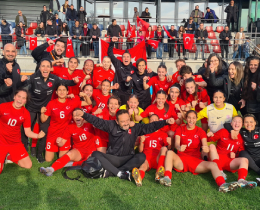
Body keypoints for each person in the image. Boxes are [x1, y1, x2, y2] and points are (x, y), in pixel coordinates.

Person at [74, 109, 175, 181]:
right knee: (96, 154)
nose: (126, 123)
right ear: (117, 121)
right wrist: (84, 114)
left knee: (142, 156)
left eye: (127, 120)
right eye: (123, 121)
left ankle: (111, 173)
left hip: (128, 158)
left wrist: (165, 122)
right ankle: (120, 173)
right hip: (113, 158)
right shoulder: (111, 125)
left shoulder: (135, 127)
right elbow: (98, 121)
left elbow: (150, 127)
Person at [159, 110, 239, 193]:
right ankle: (167, 178)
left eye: (193, 118)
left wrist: (206, 149)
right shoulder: (180, 129)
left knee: (213, 164)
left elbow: (204, 144)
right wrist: (179, 148)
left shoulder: (200, 131)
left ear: (196, 119)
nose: (191, 120)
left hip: (195, 161)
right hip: (181, 160)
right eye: (189, 117)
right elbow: (176, 144)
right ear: (186, 118)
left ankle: (222, 184)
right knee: (170, 153)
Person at [21, 59, 78, 162]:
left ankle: (39, 154)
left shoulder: (54, 78)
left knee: (44, 131)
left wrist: (74, 82)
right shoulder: (34, 77)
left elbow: (65, 82)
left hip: (45, 108)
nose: (45, 68)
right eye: (43, 66)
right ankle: (24, 151)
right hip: (31, 107)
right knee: (26, 129)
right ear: (39, 68)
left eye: (48, 66)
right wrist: (22, 81)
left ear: (50, 68)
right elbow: (23, 86)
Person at [40, 108, 99, 176]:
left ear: (83, 115)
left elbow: (98, 123)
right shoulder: (70, 127)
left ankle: (70, 164)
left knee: (90, 161)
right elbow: (62, 143)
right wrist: (59, 142)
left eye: (79, 115)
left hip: (91, 151)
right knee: (70, 154)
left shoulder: (89, 123)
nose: (77, 117)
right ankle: (51, 169)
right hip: (79, 151)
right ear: (73, 117)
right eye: (75, 116)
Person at [0, 89, 45, 174]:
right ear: (14, 97)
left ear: (26, 101)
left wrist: (37, 136)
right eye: (19, 96)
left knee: (28, 165)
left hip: (15, 143)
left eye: (23, 98)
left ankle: (9, 156)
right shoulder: (3, 106)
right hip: (1, 142)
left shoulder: (25, 113)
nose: (20, 100)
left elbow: (27, 132)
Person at [40, 84, 89, 162]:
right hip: (53, 133)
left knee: (62, 159)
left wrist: (85, 95)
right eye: (59, 90)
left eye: (64, 90)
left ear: (67, 92)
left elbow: (88, 103)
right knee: (48, 160)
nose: (62, 92)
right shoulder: (51, 103)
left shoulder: (71, 102)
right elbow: (43, 120)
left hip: (65, 134)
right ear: (56, 92)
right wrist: (42, 113)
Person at [207, 116, 257, 188]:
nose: (237, 123)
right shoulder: (223, 131)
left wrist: (235, 154)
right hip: (217, 158)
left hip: (229, 161)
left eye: (239, 122)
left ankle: (241, 180)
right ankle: (220, 172)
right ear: (231, 123)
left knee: (244, 160)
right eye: (235, 121)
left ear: (242, 124)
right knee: (212, 146)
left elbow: (241, 151)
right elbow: (209, 140)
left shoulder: (241, 137)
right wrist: (209, 135)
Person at [132, 114, 171, 186]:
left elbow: (168, 149)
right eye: (151, 120)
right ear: (149, 122)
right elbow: (140, 151)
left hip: (158, 158)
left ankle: (159, 171)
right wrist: (141, 142)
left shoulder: (163, 134)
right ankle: (139, 178)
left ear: (159, 122)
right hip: (147, 156)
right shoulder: (145, 133)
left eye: (155, 120)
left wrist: (170, 144)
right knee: (143, 166)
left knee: (164, 148)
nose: (153, 121)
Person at [107, 37, 135, 104]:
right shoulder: (118, 63)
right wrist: (112, 43)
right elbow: (110, 54)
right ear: (121, 59)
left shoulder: (134, 69)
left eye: (127, 57)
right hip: (116, 92)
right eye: (124, 57)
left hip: (126, 94)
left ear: (130, 59)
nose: (126, 58)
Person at [240, 57, 260, 122]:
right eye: (251, 64)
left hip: (257, 109)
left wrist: (256, 88)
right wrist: (243, 98)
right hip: (247, 107)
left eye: (255, 65)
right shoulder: (246, 75)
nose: (253, 67)